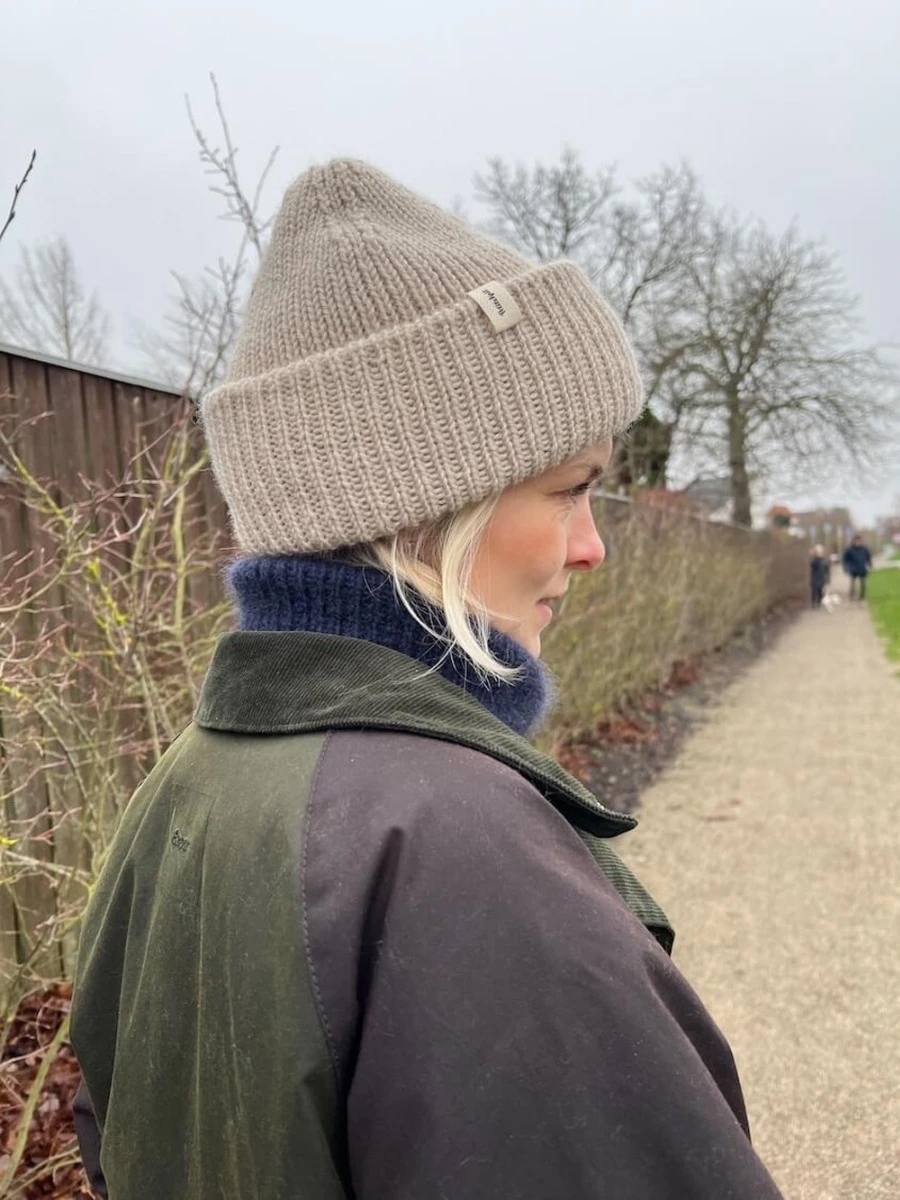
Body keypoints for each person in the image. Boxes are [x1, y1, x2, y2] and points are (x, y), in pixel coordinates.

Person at [69, 160, 783, 1199]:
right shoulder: (460, 846)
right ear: (421, 508)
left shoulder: (189, 782)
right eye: (571, 489)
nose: (593, 547)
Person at [842, 532, 873, 599]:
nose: (858, 542)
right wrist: (845, 568)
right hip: (853, 568)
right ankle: (851, 595)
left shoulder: (864, 549)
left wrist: (870, 564)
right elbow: (845, 559)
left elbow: (868, 557)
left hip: (862, 568)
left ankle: (862, 596)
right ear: (853, 541)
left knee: (863, 583)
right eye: (856, 541)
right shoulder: (849, 549)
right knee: (852, 583)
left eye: (859, 541)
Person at [809, 543, 830, 608]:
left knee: (820, 591)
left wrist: (828, 579)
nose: (819, 553)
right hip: (815, 578)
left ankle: (819, 602)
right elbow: (812, 564)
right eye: (818, 552)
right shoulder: (814, 560)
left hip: (822, 578)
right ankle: (813, 603)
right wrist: (813, 555)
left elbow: (827, 570)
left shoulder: (824, 561)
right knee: (814, 591)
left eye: (820, 552)